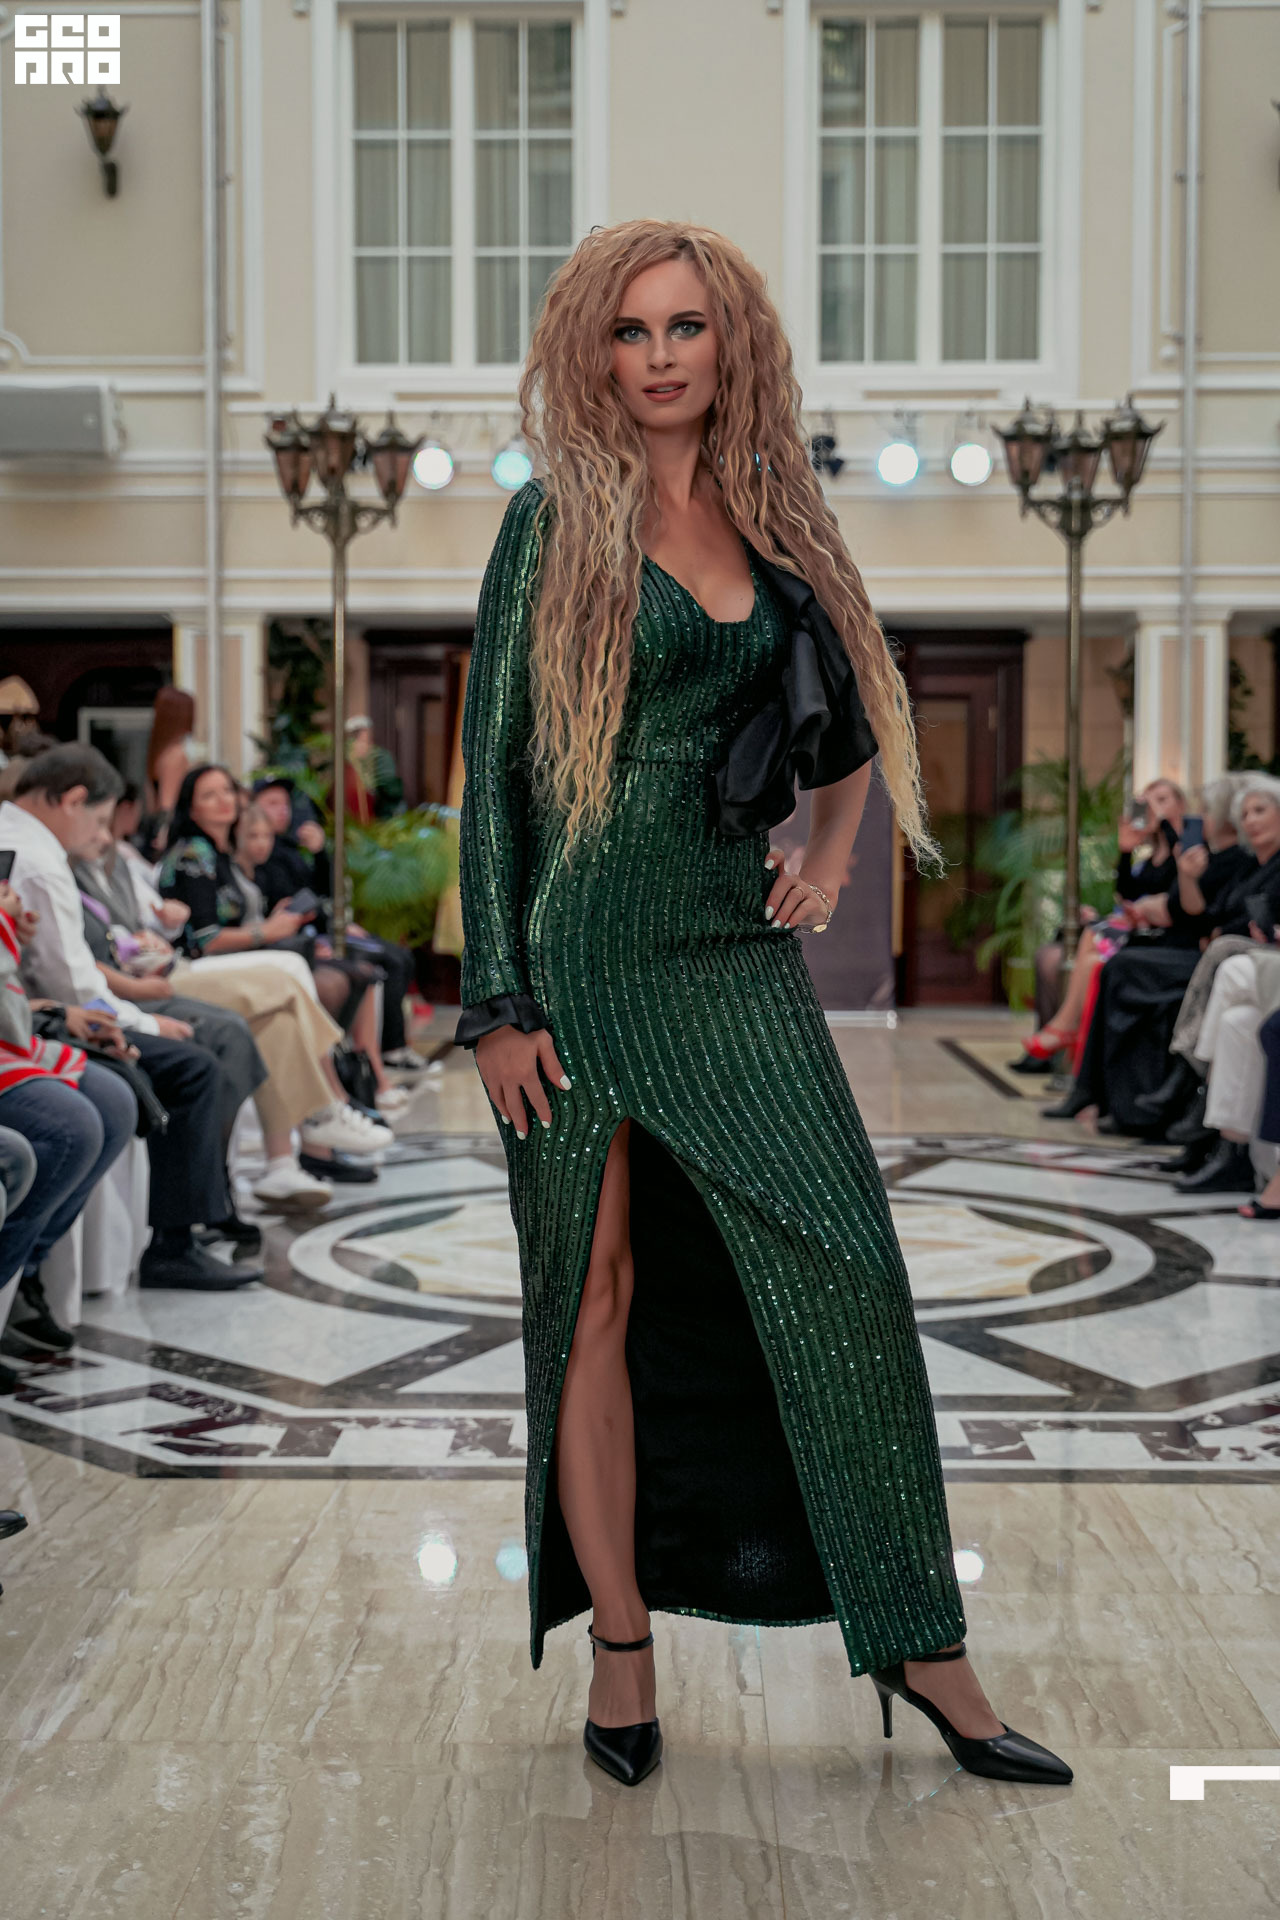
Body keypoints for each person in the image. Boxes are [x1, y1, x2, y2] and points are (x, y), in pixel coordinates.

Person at [454, 220, 1071, 1789]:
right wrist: (497, 1003)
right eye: (631, 330)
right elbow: (497, 779)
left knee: (849, 1267)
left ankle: (921, 1642)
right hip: (581, 961)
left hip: (733, 954)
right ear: (594, 351)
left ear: (732, 343)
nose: (659, 356)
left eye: (687, 327)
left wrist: (837, 851)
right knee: (590, 1301)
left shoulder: (779, 514)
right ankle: (622, 1650)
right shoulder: (551, 523)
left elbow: (857, 713)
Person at [0, 745, 263, 1289]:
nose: (102, 835)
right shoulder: (38, 857)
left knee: (215, 1038)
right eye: (99, 819)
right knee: (192, 1065)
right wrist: (141, 1021)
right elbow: (71, 983)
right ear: (72, 800)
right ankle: (165, 1243)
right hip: (44, 1017)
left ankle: (208, 1202)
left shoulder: (29, 844)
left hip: (44, 1010)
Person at [0, 880, 137, 1359]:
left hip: (15, 1028)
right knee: (71, 1126)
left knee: (116, 1103)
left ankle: (23, 1271)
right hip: (11, 1032)